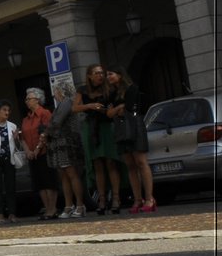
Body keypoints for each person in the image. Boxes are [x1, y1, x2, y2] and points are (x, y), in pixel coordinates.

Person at [76, 64, 124, 215]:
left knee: (111, 161)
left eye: (102, 73)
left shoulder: (109, 88)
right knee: (97, 164)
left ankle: (116, 198)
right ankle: (102, 199)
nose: (100, 75)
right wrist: (89, 105)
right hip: (92, 128)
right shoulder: (83, 90)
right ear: (89, 75)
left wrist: (107, 109)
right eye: (97, 73)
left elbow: (116, 104)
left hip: (107, 127)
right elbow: (74, 108)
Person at [109, 68, 157, 213]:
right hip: (121, 128)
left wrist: (118, 109)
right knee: (130, 164)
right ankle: (137, 199)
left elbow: (129, 108)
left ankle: (149, 198)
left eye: (110, 73)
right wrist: (119, 107)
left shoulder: (132, 89)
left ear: (120, 75)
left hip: (134, 126)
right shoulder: (112, 93)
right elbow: (110, 113)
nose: (108, 77)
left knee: (141, 162)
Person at [48, 82, 86, 218]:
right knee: (64, 175)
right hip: (62, 142)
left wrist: (45, 132)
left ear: (62, 91)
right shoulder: (63, 103)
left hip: (67, 142)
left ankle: (80, 205)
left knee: (71, 174)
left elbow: (57, 121)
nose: (54, 94)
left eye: (56, 91)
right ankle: (68, 206)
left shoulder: (67, 102)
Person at [23, 88, 58, 219]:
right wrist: (28, 151)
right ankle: (47, 208)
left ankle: (52, 209)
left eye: (29, 99)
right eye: (26, 99)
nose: (26, 101)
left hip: (44, 153)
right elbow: (23, 137)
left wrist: (38, 148)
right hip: (32, 155)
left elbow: (46, 132)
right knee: (40, 184)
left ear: (37, 100)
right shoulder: (26, 118)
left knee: (49, 181)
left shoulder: (45, 113)